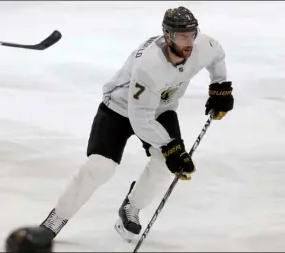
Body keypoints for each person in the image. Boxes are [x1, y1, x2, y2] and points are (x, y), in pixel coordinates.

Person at [38, 6, 234, 242]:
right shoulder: (149, 66)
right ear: (167, 35)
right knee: (99, 167)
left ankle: (132, 207)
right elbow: (140, 119)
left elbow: (217, 55)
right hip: (119, 110)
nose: (189, 40)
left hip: (162, 109)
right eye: (183, 35)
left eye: (192, 33)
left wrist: (219, 87)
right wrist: (171, 147)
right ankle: (57, 218)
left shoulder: (204, 46)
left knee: (164, 163)